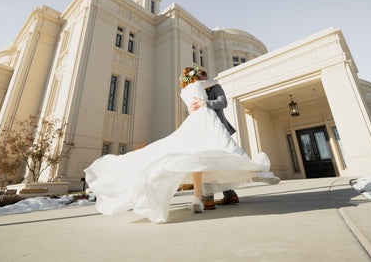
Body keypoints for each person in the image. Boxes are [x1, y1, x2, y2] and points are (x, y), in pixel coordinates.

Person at [84, 66, 279, 223]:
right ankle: (210, 197)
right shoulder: (202, 86)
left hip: (214, 125)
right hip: (203, 125)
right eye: (201, 75)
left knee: (215, 156)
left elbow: (222, 102)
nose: (204, 77)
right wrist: (200, 106)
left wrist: (204, 104)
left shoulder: (192, 90)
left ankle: (226, 192)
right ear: (197, 77)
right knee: (206, 158)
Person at [190, 69, 239, 210]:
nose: (198, 82)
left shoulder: (216, 87)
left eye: (199, 78)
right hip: (205, 129)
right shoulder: (197, 90)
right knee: (216, 163)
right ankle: (230, 195)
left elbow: (223, 103)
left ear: (205, 77)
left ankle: (207, 199)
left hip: (218, 129)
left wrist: (204, 103)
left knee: (208, 161)